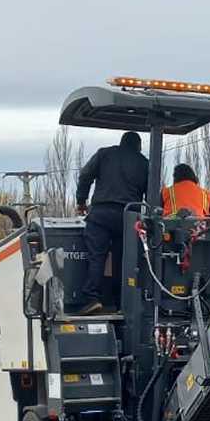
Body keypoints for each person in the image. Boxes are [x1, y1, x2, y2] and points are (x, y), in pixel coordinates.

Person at [71, 130, 147, 312]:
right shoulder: (144, 163)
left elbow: (85, 176)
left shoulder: (104, 154)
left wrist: (81, 201)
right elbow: (151, 194)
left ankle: (92, 298)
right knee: (124, 260)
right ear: (138, 146)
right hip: (128, 219)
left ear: (121, 143)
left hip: (101, 214)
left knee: (97, 257)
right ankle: (121, 302)